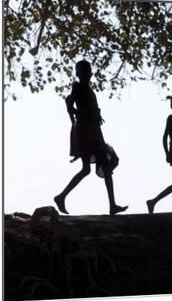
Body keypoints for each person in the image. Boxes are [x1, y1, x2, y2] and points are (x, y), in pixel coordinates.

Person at [54, 60, 127, 216]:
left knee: (106, 166)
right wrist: (77, 120)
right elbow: (69, 107)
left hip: (94, 130)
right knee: (86, 169)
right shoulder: (78, 87)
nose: (86, 74)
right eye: (83, 71)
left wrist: (97, 115)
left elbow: (92, 108)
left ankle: (112, 205)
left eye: (88, 71)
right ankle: (61, 196)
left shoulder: (89, 90)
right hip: (85, 131)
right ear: (78, 73)